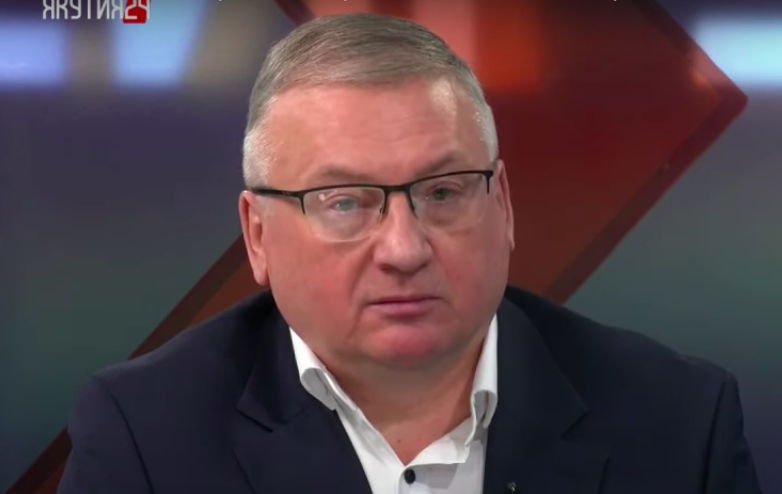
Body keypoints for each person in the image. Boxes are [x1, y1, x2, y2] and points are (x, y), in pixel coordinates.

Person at [57, 12, 762, 494]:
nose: (403, 248)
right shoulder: (146, 435)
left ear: (503, 205)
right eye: (344, 202)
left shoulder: (679, 420)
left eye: (443, 192)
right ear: (258, 235)